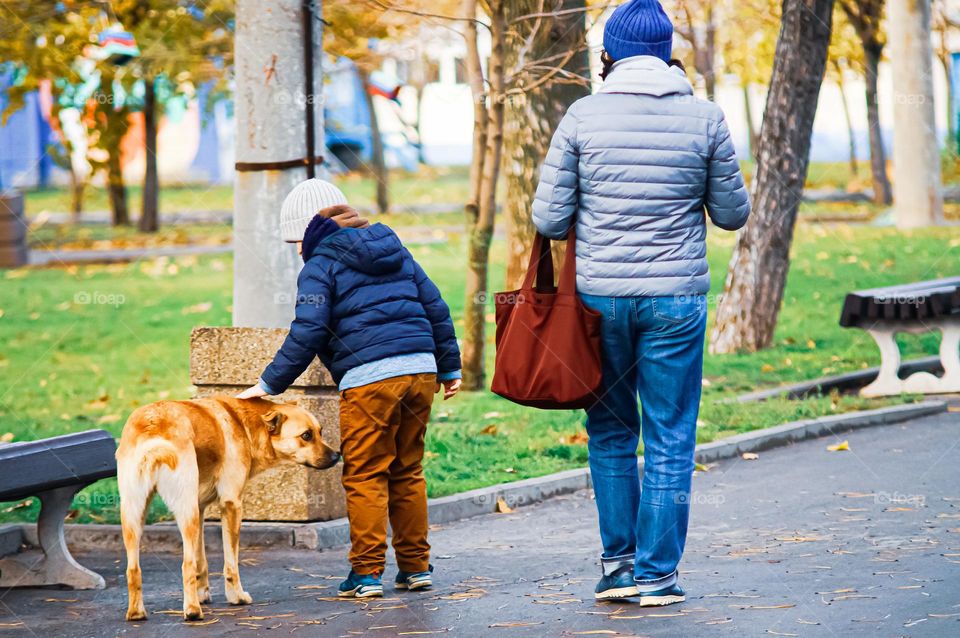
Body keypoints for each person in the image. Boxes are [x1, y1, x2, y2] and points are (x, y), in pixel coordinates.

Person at [531, 0, 750, 606]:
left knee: (609, 430)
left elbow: (548, 218)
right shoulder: (706, 119)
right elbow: (732, 215)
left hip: (600, 300)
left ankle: (617, 565)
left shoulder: (582, 116)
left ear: (611, 54)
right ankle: (658, 575)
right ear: (665, 52)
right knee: (671, 434)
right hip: (675, 298)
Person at [237, 178, 462, 598]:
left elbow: (309, 328)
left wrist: (268, 383)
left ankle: (366, 573)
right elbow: (436, 306)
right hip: (420, 373)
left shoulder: (319, 265)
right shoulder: (393, 247)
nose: (298, 250)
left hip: (370, 380)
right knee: (407, 470)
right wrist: (448, 367)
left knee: (365, 474)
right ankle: (415, 568)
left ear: (311, 230)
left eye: (298, 240)